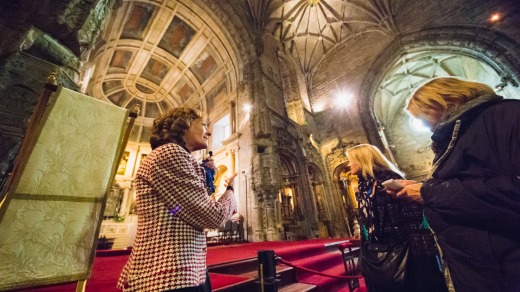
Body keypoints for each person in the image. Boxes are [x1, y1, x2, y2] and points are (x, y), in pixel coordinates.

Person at [395, 77, 520, 292]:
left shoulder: (507, 116)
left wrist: (429, 192)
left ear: (445, 101)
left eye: (424, 118)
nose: (425, 126)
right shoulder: (456, 135)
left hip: (506, 269)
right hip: (480, 269)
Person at [118, 107, 237, 292]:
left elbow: (184, 209)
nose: (209, 131)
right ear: (184, 125)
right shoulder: (170, 153)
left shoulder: (175, 156)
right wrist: (230, 190)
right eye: (203, 125)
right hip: (168, 274)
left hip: (183, 271)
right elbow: (213, 216)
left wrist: (203, 173)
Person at [346, 144, 447, 292]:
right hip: (374, 251)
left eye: (350, 160)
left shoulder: (390, 179)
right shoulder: (362, 185)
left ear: (362, 159)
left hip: (402, 252)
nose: (348, 164)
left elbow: (413, 219)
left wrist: (424, 261)